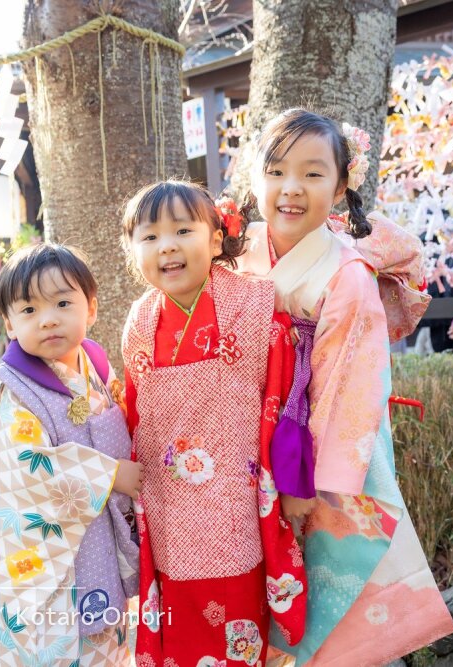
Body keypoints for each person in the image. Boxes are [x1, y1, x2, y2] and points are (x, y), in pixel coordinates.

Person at [234, 109, 453, 666]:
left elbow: (346, 392)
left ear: (339, 189)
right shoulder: (237, 253)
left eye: (312, 173)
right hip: (245, 443)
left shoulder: (347, 275)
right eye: (276, 170)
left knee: (325, 598)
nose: (290, 188)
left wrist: (308, 483)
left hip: (315, 450)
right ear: (255, 179)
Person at [121, 180, 308, 667]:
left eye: (183, 229)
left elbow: (285, 400)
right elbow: (135, 421)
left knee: (240, 634)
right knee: (181, 639)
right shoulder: (140, 324)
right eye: (149, 236)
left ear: (215, 239)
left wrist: (292, 480)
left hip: (238, 505)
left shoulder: (253, 307)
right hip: (169, 513)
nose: (167, 246)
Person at [0, 244, 142, 666]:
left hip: (97, 538)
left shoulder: (95, 365)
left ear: (92, 308)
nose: (48, 319)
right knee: (54, 648)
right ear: (9, 324)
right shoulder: (14, 391)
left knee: (107, 642)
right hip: (49, 556)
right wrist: (107, 475)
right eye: (28, 311)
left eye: (63, 303)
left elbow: (101, 417)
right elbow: (25, 468)